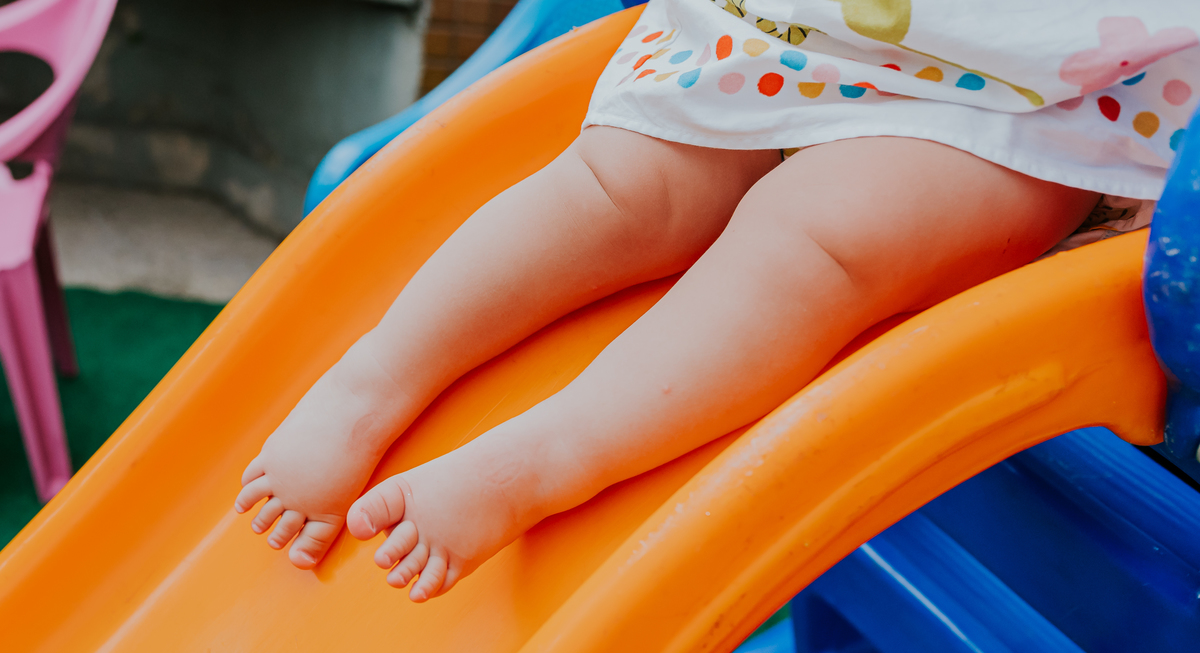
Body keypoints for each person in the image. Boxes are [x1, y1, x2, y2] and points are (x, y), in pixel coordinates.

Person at [235, 0, 1200, 601]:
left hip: (1032, 96)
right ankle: (374, 377)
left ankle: (544, 454)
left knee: (819, 239)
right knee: (619, 186)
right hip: (804, 24)